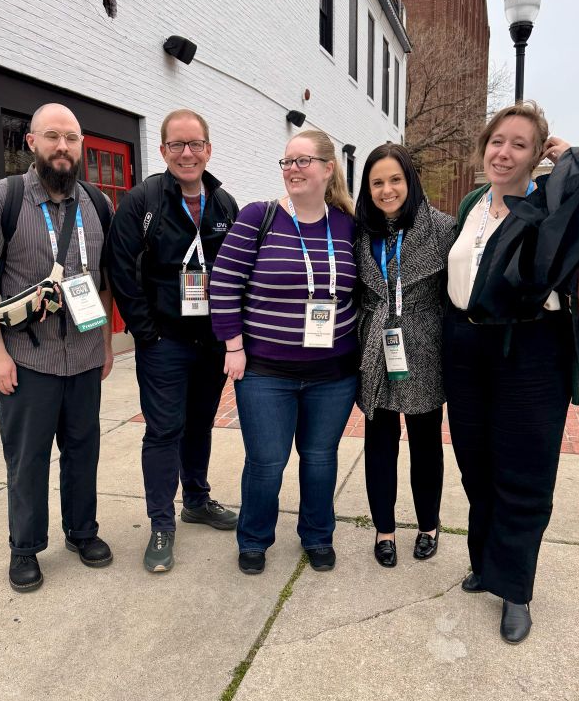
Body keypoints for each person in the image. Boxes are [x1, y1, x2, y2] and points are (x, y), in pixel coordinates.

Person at [443, 101, 579, 644]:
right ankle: (486, 562)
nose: (503, 152)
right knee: (476, 462)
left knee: (525, 470)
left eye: (519, 143)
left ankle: (515, 587)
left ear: (537, 154)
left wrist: (574, 155)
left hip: (532, 348)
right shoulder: (471, 204)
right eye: (496, 140)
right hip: (468, 346)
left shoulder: (559, 202)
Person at [0, 103, 114, 593]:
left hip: (86, 357)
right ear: (31, 142)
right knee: (27, 459)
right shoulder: (0, 200)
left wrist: (107, 344)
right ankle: (24, 548)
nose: (62, 146)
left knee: (84, 451)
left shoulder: (97, 204)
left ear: (81, 143)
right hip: (27, 360)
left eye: (70, 137)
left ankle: (82, 532)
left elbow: (103, 282)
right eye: (52, 136)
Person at [209, 130, 358, 574]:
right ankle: (254, 538)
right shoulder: (261, 216)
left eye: (303, 161)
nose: (292, 169)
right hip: (266, 373)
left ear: (328, 168)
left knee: (319, 459)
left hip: (333, 374)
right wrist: (232, 345)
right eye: (287, 161)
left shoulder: (348, 224)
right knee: (267, 462)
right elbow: (224, 281)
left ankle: (317, 536)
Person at [107, 109, 239, 574]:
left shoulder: (224, 203)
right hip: (163, 341)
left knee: (200, 424)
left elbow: (237, 271)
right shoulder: (142, 201)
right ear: (163, 150)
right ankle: (161, 522)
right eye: (177, 145)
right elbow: (120, 268)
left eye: (195, 144)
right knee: (163, 431)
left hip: (210, 343)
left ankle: (197, 500)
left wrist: (231, 334)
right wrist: (145, 331)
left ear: (208, 148)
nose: (187, 153)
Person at [355, 144, 454, 568]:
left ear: (410, 181)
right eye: (377, 182)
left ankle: (428, 526)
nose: (387, 189)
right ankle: (384, 530)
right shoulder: (359, 233)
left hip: (424, 347)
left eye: (395, 179)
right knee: (379, 444)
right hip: (376, 346)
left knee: (426, 443)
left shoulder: (443, 229)